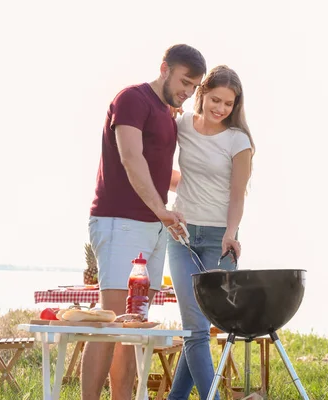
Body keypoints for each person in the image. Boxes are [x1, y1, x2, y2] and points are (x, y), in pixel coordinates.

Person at [83, 44, 206, 400]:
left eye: (194, 86)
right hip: (119, 220)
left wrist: (213, 184)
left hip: (153, 227)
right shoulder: (132, 100)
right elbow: (131, 158)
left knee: (133, 325)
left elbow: (159, 172)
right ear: (165, 68)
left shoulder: (167, 114)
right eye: (184, 81)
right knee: (109, 322)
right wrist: (162, 210)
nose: (187, 91)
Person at [167, 65, 254, 400]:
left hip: (219, 241)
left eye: (229, 104)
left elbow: (236, 194)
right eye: (216, 99)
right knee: (195, 329)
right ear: (201, 94)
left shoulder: (238, 140)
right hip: (182, 237)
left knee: (199, 330)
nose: (220, 108)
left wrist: (231, 234)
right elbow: (161, 163)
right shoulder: (181, 125)